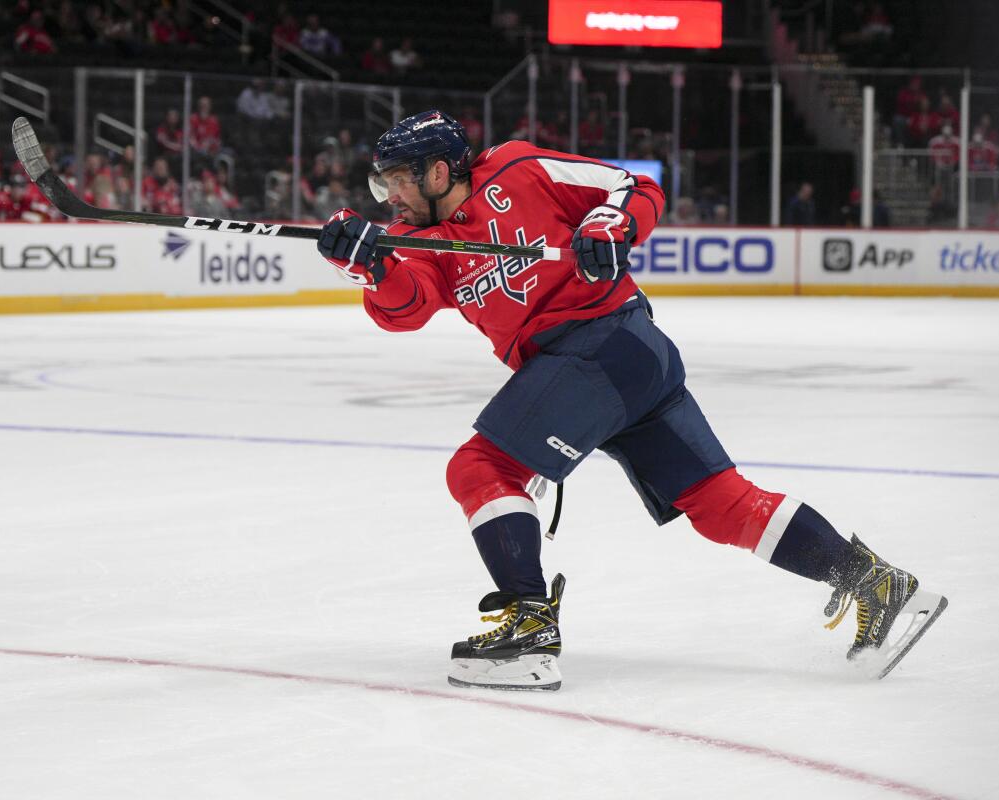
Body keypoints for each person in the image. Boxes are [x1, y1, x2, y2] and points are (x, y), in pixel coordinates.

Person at [314, 110, 948, 691]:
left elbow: (631, 188)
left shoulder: (520, 168)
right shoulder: (414, 236)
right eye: (383, 187)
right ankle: (875, 582)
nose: (389, 198)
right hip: (612, 364)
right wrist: (374, 265)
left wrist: (609, 222)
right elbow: (406, 311)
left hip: (606, 343)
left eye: (396, 181)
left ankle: (529, 627)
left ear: (439, 169)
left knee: (482, 469)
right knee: (722, 507)